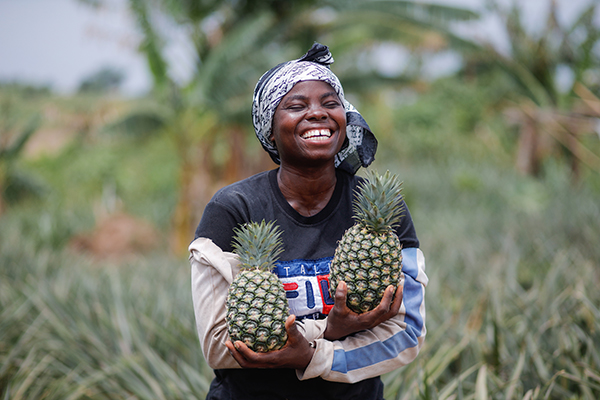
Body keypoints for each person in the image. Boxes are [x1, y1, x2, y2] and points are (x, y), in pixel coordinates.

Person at [189, 42, 428, 400]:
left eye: (330, 104)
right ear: (270, 129)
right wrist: (330, 330)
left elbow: (407, 334)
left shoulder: (382, 209)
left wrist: (315, 354)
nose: (317, 113)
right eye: (296, 106)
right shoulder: (233, 208)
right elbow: (219, 347)